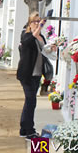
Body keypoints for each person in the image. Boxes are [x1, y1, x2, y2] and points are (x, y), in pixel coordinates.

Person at [16, 11, 56, 141]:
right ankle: (30, 131)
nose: (38, 23)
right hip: (27, 74)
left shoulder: (41, 37)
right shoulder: (26, 35)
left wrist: (52, 48)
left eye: (40, 21)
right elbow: (27, 43)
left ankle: (24, 129)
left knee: (30, 101)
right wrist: (38, 28)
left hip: (37, 74)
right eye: (35, 21)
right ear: (30, 23)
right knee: (31, 100)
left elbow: (44, 50)